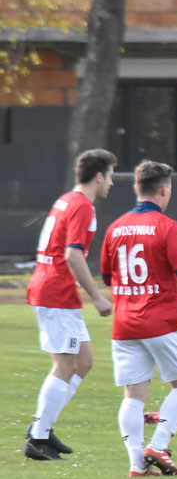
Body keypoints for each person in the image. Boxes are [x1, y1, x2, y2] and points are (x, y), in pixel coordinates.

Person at [100, 161, 177, 477]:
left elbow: (108, 277)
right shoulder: (168, 227)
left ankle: (137, 465)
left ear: (137, 188)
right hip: (163, 321)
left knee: (134, 395)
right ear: (164, 189)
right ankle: (159, 446)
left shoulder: (115, 227)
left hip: (124, 324)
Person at [24, 149, 116, 461]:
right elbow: (72, 255)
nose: (112, 184)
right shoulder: (82, 207)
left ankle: (43, 426)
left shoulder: (65, 199)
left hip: (55, 289)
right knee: (64, 364)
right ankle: (37, 437)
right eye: (112, 176)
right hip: (55, 292)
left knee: (84, 361)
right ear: (99, 176)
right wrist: (98, 297)